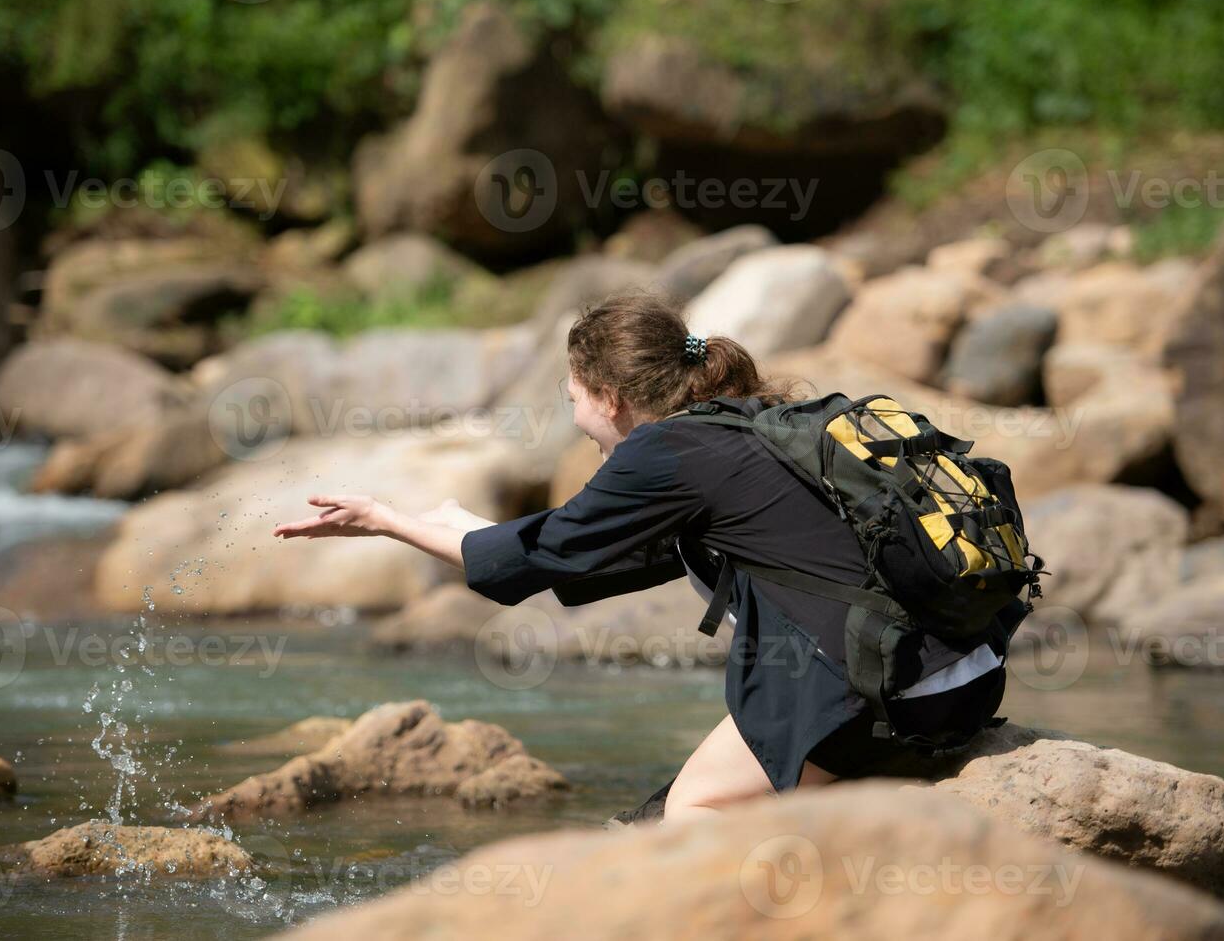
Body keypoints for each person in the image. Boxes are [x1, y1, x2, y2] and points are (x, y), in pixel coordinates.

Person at [273, 293, 1018, 824]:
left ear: (608, 397)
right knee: (677, 817)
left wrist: (391, 522)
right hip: (965, 675)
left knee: (692, 815)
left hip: (884, 691)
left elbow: (547, 557)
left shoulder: (667, 449)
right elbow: (592, 558)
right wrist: (447, 526)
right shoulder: (744, 425)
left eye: (571, 399)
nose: (573, 421)